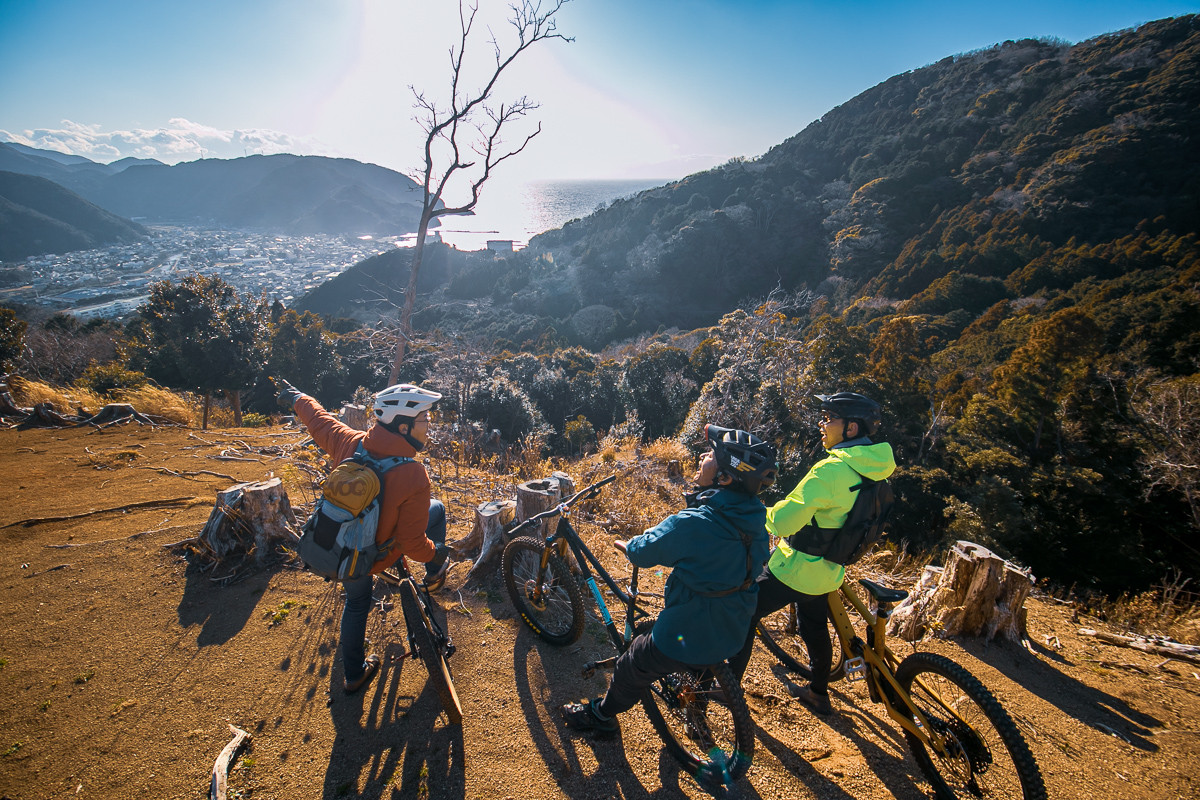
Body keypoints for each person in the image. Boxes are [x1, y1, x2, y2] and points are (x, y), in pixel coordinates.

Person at [559, 424, 777, 736]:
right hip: (732, 628)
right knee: (685, 657)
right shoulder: (756, 522)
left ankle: (602, 715)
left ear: (725, 478)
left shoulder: (692, 524)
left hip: (690, 628)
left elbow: (644, 553)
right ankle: (692, 703)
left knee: (630, 664)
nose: (703, 457)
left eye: (712, 457)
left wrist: (630, 546)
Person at [276, 379, 452, 695]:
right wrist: (436, 553)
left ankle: (354, 674)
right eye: (425, 419)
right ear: (403, 427)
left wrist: (298, 397)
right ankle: (435, 576)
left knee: (357, 601)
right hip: (382, 554)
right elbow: (412, 544)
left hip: (343, 551)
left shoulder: (352, 443)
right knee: (436, 511)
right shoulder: (413, 474)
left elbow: (320, 422)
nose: (429, 426)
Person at [728, 392, 896, 717]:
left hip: (795, 569)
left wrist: (753, 512)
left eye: (828, 418)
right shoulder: (876, 469)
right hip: (830, 571)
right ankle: (818, 692)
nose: (822, 423)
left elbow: (783, 521)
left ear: (850, 428)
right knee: (815, 626)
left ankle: (727, 686)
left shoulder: (830, 472)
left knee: (743, 613)